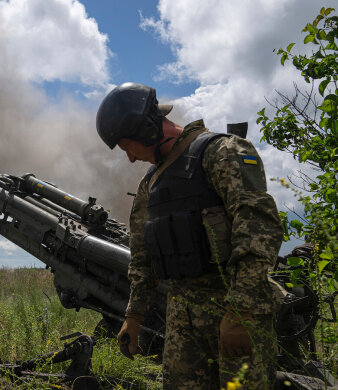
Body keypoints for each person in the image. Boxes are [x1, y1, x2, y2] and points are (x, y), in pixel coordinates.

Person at [96, 82, 283, 389]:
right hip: (183, 318)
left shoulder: (222, 153)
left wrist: (241, 311)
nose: (130, 159)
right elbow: (142, 257)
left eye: (130, 147)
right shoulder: (151, 183)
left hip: (235, 310)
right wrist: (134, 315)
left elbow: (258, 233)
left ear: (147, 130)